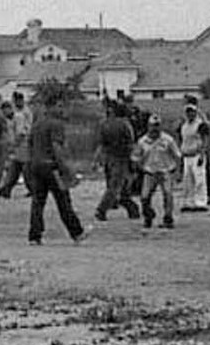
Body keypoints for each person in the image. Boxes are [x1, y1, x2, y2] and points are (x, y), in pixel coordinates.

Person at [24, 89, 87, 245]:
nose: (61, 110)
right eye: (59, 106)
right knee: (63, 201)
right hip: (51, 167)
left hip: (36, 166)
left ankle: (34, 236)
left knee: (38, 202)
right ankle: (76, 232)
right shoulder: (56, 124)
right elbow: (56, 147)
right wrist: (65, 169)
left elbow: (30, 145)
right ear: (50, 107)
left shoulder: (37, 124)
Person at [134, 114, 181, 228]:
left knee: (168, 194)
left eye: (157, 126)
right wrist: (139, 168)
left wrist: (178, 172)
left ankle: (168, 218)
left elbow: (177, 156)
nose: (155, 128)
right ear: (148, 126)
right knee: (144, 197)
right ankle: (148, 215)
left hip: (165, 172)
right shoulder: (142, 141)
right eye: (152, 126)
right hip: (150, 173)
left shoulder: (168, 140)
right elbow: (136, 157)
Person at [95, 97, 138, 221]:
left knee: (119, 186)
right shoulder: (125, 124)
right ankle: (102, 209)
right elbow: (131, 144)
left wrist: (98, 160)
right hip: (121, 159)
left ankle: (132, 209)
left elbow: (101, 145)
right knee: (116, 187)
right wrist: (134, 161)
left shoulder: (105, 124)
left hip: (109, 159)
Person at [176, 101, 210, 212]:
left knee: (199, 180)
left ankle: (201, 202)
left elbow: (205, 140)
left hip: (197, 155)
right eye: (187, 112)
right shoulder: (184, 126)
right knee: (187, 180)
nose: (189, 114)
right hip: (186, 155)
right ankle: (188, 202)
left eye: (191, 111)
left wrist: (202, 154)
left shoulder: (200, 124)